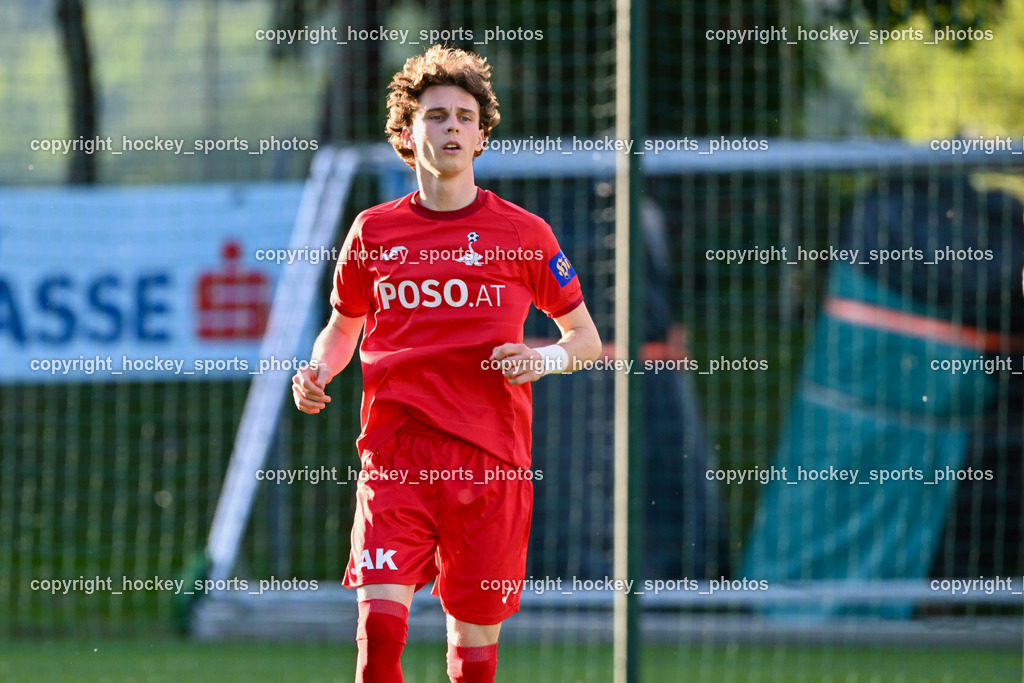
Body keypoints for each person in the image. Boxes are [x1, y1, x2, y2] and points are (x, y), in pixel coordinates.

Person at [291, 44, 600, 683]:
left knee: (473, 653)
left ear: (483, 135)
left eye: (464, 116)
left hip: (491, 464)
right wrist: (318, 370)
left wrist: (540, 359)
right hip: (396, 455)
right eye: (436, 116)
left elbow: (586, 341)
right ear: (408, 132)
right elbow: (343, 326)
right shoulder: (373, 232)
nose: (451, 127)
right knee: (378, 633)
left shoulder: (524, 234)